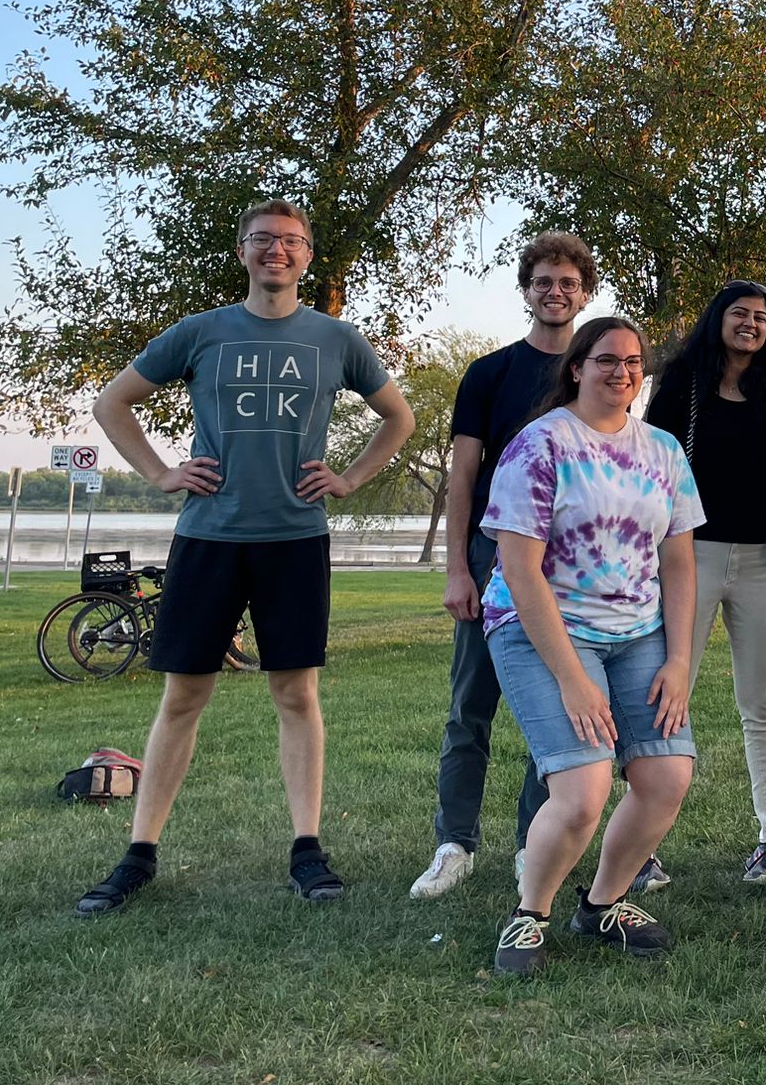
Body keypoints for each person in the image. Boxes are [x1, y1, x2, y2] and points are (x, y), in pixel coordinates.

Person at [73, 199, 414, 916]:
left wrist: (349, 478)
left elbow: (399, 418)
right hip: (210, 537)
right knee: (183, 696)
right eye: (263, 241)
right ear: (242, 252)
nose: (276, 252)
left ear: (308, 256)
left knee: (296, 694)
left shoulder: (335, 338)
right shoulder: (201, 333)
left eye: (291, 242)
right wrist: (161, 473)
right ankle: (139, 855)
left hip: (295, 539)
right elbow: (113, 404)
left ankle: (307, 850)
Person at [481, 316, 704, 974]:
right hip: (541, 628)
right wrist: (573, 679)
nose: (622, 373)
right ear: (577, 367)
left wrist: (681, 659)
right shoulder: (540, 444)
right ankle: (531, 913)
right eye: (607, 360)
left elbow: (682, 563)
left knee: (666, 777)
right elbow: (520, 568)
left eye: (634, 362)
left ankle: (602, 904)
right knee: (581, 791)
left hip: (637, 633)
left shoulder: (663, 449)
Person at [410, 231, 596, 900]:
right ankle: (454, 842)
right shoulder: (490, 373)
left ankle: (530, 846)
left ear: (585, 293)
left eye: (568, 283)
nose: (555, 292)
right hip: (494, 559)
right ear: (526, 291)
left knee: (550, 713)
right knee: (470, 708)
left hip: (569, 568)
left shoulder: (594, 373)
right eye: (544, 282)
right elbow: (464, 479)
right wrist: (458, 568)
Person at [646, 279, 766, 885]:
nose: (751, 324)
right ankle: (644, 846)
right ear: (718, 319)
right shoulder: (681, 387)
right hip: (692, 554)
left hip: (764, 558)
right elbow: (655, 466)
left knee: (762, 705)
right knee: (666, 693)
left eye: (761, 317)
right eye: (740, 314)